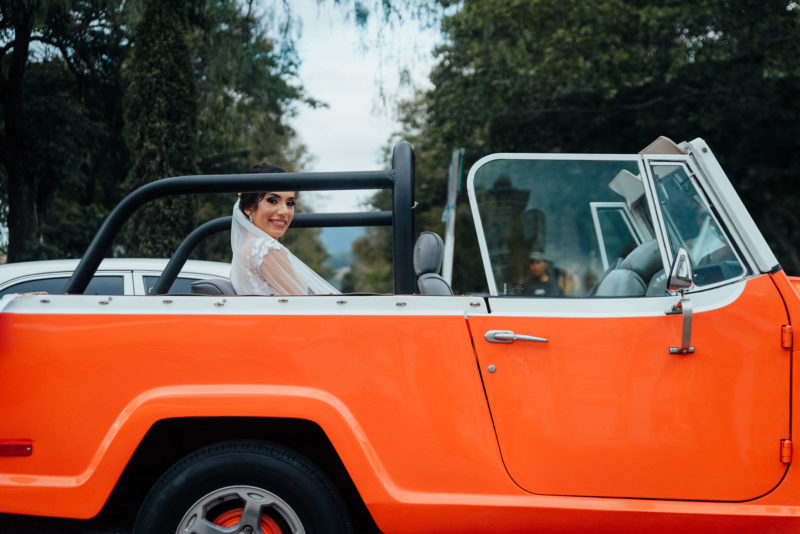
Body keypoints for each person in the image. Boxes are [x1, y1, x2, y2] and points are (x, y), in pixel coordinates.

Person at [230, 163, 339, 295]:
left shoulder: (246, 246)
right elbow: (306, 306)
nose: (284, 212)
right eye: (273, 200)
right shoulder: (265, 248)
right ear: (249, 207)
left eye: (290, 203)